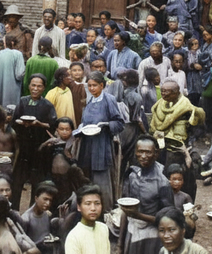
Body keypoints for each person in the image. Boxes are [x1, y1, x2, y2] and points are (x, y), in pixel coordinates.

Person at [78, 72, 125, 213]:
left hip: (102, 145)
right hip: (88, 144)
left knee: (102, 180)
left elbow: (119, 123)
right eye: (89, 86)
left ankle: (105, 212)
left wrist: (106, 125)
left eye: (94, 85)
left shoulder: (109, 99)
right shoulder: (90, 101)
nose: (92, 88)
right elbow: (85, 122)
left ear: (102, 85)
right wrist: (81, 128)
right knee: (88, 179)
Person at [120, 136, 175, 254]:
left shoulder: (162, 183)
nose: (143, 156)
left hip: (152, 235)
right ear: (135, 152)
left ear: (156, 154)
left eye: (148, 152)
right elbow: (125, 211)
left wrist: (138, 216)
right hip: (132, 230)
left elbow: (169, 219)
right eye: (140, 151)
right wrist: (120, 245)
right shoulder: (132, 175)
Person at [10, 75, 57, 209]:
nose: (35, 89)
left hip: (39, 149)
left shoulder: (47, 105)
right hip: (23, 148)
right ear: (29, 86)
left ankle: (34, 210)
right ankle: (14, 210)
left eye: (39, 86)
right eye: (33, 85)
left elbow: (52, 125)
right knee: (17, 181)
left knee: (37, 182)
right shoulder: (23, 102)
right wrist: (21, 123)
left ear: (44, 88)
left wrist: (39, 124)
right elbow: (14, 122)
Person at [64, 185, 110, 254]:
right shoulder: (74, 237)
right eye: (88, 204)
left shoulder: (103, 228)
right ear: (79, 207)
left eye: (97, 203)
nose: (93, 208)